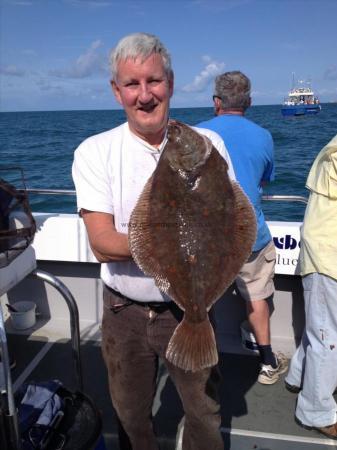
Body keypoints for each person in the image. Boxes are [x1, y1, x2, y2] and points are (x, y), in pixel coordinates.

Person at [72, 32, 236, 450]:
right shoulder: (94, 151)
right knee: (129, 415)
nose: (144, 95)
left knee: (204, 411)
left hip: (190, 308)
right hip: (123, 312)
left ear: (171, 83)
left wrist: (179, 242)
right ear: (117, 91)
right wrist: (173, 242)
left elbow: (231, 224)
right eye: (132, 84)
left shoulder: (208, 145)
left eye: (154, 81)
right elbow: (103, 243)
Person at [197, 71, 288, 385]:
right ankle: (267, 362)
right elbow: (264, 179)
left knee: (202, 302)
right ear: (248, 102)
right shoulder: (263, 135)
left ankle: (204, 366)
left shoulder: (197, 134)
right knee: (257, 298)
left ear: (216, 102)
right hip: (250, 237)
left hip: (208, 241)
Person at [285, 134, 337, 439]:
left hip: (322, 249)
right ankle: (315, 411)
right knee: (328, 337)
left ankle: (297, 376)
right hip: (328, 256)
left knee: (321, 327)